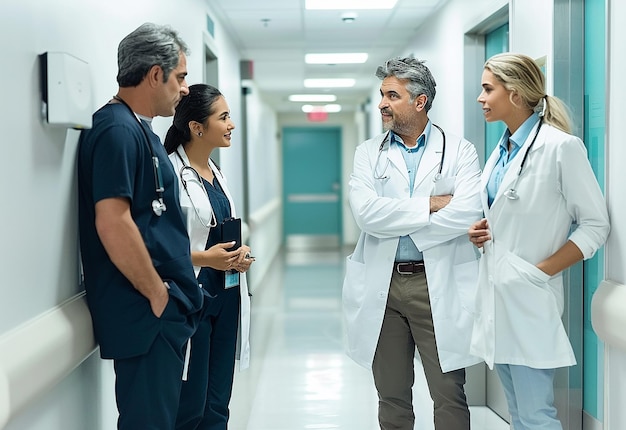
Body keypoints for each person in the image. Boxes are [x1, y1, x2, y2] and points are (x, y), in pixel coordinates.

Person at [468, 53, 610, 430]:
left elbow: (595, 225)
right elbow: (506, 215)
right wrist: (481, 233)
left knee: (535, 417)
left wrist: (538, 272)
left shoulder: (560, 147)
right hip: (499, 298)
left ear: (514, 94)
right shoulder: (503, 149)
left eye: (487, 88)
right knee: (520, 415)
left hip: (529, 296)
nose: (480, 98)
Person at [343, 56, 483, 430]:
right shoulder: (368, 153)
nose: (382, 103)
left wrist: (402, 223)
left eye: (392, 95)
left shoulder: (459, 151)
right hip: (382, 286)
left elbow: (468, 213)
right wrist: (431, 206)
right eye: (382, 94)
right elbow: (366, 215)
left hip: (436, 283)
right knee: (391, 395)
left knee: (449, 392)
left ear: (419, 102)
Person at [77, 23, 203, 429]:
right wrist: (158, 295)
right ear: (154, 74)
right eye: (180, 76)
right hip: (147, 316)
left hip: (158, 316)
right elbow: (112, 222)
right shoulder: (116, 130)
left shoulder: (139, 130)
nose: (185, 88)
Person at [164, 83, 253, 430]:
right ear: (197, 127)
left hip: (227, 294)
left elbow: (221, 231)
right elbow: (160, 247)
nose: (231, 124)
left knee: (218, 404)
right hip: (194, 299)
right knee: (191, 405)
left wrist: (239, 253)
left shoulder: (217, 174)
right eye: (224, 117)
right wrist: (205, 259)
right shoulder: (170, 173)